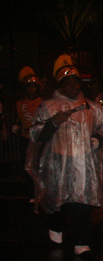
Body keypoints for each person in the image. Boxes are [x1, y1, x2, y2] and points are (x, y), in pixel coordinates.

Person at [29, 55, 103, 256]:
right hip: (57, 162)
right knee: (57, 200)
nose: (74, 86)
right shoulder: (48, 106)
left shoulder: (92, 107)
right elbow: (35, 134)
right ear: (61, 85)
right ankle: (56, 229)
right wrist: (53, 123)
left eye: (77, 82)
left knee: (81, 201)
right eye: (69, 82)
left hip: (83, 163)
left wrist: (98, 138)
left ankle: (81, 242)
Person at [12, 67, 45, 200]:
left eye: (33, 87)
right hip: (25, 139)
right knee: (27, 166)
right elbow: (17, 118)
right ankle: (32, 192)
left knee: (40, 166)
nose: (31, 89)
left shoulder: (44, 103)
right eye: (29, 87)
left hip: (39, 139)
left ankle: (42, 191)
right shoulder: (20, 103)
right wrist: (16, 125)